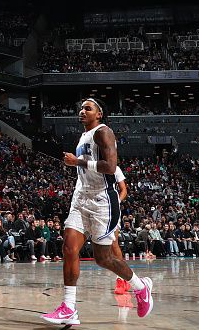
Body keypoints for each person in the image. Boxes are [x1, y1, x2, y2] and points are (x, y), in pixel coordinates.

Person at [41, 98, 153, 326]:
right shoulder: (83, 136)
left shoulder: (104, 132)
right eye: (81, 107)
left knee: (104, 258)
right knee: (69, 247)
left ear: (99, 114)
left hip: (103, 200)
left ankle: (141, 288)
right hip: (81, 197)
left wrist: (78, 162)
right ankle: (69, 307)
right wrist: (78, 164)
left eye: (88, 108)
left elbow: (110, 167)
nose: (82, 111)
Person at [110, 166, 129, 294]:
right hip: (91, 207)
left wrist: (116, 202)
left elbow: (124, 190)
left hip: (110, 209)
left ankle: (121, 278)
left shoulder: (114, 168)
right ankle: (126, 277)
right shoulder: (89, 166)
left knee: (113, 244)